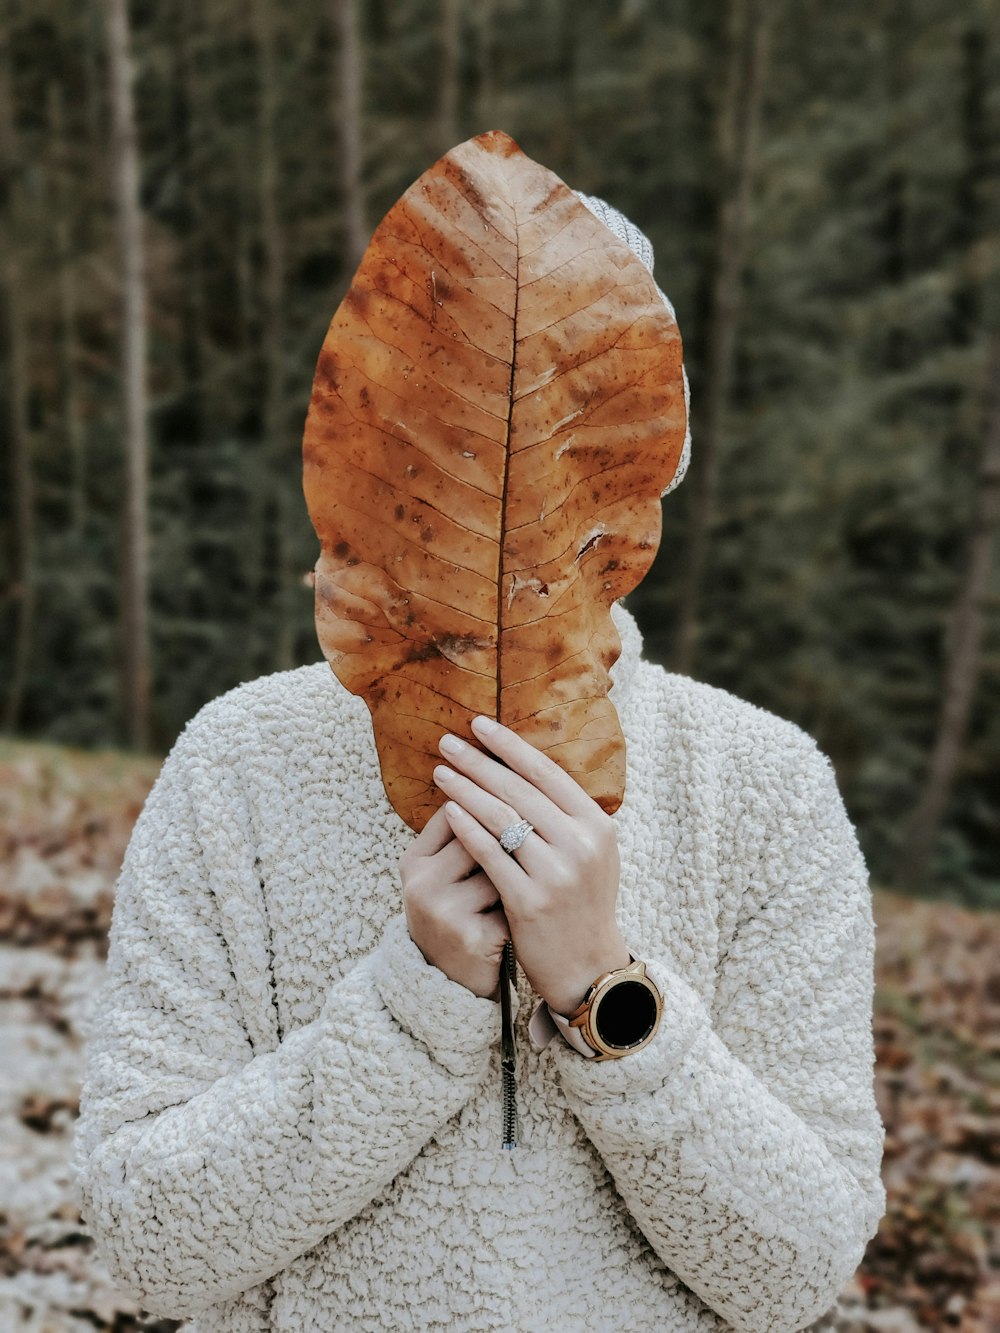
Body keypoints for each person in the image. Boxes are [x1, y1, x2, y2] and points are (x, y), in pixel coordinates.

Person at [71, 193, 886, 1333]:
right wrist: (416, 1002)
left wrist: (605, 988)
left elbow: (796, 1269)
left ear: (651, 447)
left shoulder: (762, 788)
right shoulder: (242, 763)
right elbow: (150, 1237)